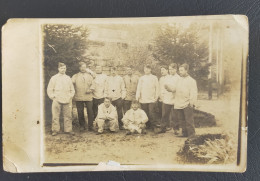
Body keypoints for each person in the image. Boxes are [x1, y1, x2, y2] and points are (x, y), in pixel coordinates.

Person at [47, 62, 75, 136]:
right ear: (58, 69)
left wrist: (70, 96)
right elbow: (49, 89)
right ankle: (55, 130)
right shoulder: (54, 78)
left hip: (67, 99)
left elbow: (72, 89)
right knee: (55, 115)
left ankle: (68, 129)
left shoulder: (68, 78)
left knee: (68, 115)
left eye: (64, 68)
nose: (63, 70)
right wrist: (53, 97)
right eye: (61, 68)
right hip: (57, 99)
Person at [170, 63, 197, 137]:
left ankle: (192, 134)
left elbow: (193, 92)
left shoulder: (191, 81)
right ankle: (184, 133)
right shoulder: (179, 80)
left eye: (181, 70)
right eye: (179, 70)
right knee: (182, 119)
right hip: (179, 102)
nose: (180, 72)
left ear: (186, 70)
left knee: (189, 120)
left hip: (187, 103)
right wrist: (169, 89)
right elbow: (175, 89)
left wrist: (191, 102)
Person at [72, 62, 95, 132]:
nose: (83, 69)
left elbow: (94, 84)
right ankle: (82, 126)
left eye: (84, 67)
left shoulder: (90, 76)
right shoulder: (75, 76)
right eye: (81, 67)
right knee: (80, 111)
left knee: (90, 111)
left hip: (88, 97)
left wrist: (91, 89)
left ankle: (90, 126)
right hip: (79, 96)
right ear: (79, 68)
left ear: (86, 68)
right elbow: (71, 84)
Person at [136, 64, 159, 130]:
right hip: (143, 99)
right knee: (145, 113)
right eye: (145, 69)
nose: (146, 70)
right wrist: (137, 96)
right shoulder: (142, 78)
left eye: (148, 69)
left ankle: (153, 126)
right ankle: (147, 126)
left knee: (151, 112)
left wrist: (156, 97)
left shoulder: (154, 77)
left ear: (150, 70)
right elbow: (139, 88)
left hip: (152, 98)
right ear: (144, 69)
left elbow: (157, 88)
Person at [161, 63, 180, 134]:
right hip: (167, 98)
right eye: (169, 69)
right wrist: (163, 95)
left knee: (175, 115)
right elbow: (164, 87)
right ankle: (163, 128)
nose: (171, 71)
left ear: (176, 69)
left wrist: (172, 90)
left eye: (172, 69)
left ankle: (176, 129)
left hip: (175, 98)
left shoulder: (178, 78)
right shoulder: (167, 77)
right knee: (165, 114)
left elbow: (179, 88)